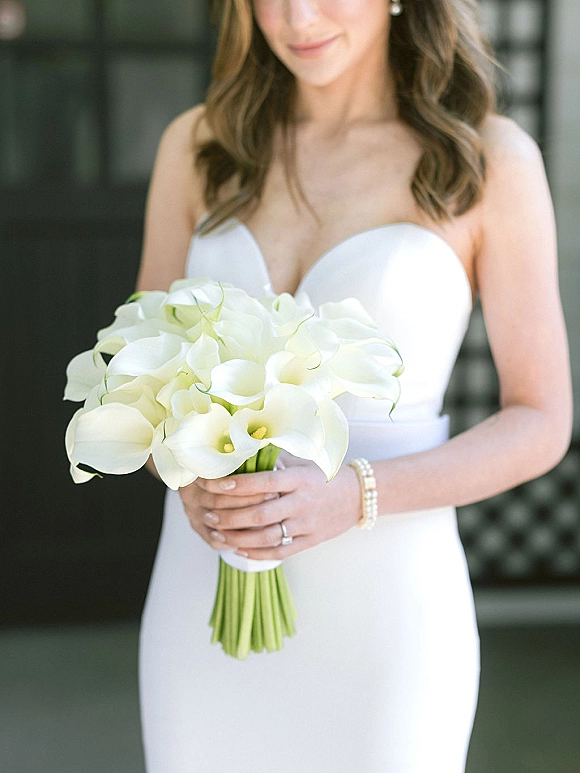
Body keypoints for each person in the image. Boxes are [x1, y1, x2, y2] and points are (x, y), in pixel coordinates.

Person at [135, 1, 572, 771]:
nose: (297, 16)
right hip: (201, 596)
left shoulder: (487, 158)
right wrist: (179, 471)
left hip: (389, 612)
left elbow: (539, 418)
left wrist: (355, 492)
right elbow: (140, 383)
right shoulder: (200, 146)